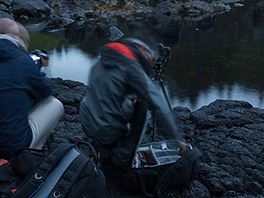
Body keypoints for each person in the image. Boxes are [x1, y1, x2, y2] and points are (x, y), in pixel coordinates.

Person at [0, 18, 64, 160]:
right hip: (11, 148)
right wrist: (43, 70)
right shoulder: (24, 62)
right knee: (54, 104)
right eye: (27, 41)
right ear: (17, 37)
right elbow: (46, 92)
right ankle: (30, 154)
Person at [79, 37, 186, 171]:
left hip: (87, 122)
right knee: (144, 105)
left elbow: (110, 92)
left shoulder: (104, 58)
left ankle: (103, 146)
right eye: (150, 57)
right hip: (107, 132)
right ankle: (123, 158)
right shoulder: (130, 66)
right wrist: (177, 138)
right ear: (141, 49)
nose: (150, 62)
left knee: (115, 101)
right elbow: (159, 104)